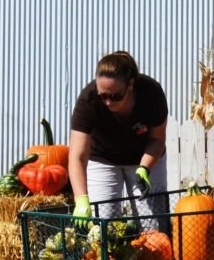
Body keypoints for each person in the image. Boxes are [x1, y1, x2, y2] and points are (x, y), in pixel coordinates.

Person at [68, 50, 169, 224]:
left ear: (130, 85)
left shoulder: (151, 94)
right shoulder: (88, 100)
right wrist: (81, 198)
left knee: (152, 227)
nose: (108, 102)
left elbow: (157, 140)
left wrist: (145, 168)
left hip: (143, 158)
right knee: (103, 226)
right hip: (103, 160)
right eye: (103, 96)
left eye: (115, 96)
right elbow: (77, 156)